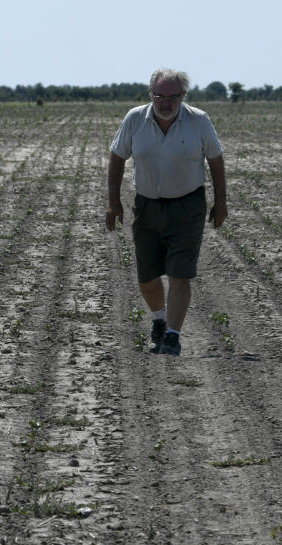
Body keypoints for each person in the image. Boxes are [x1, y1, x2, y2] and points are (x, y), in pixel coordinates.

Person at [106, 68, 228, 356]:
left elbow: (216, 160)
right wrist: (114, 201)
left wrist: (220, 202)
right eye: (159, 96)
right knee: (147, 278)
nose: (165, 102)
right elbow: (117, 157)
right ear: (151, 94)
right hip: (147, 206)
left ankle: (173, 336)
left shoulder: (198, 120)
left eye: (172, 97)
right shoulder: (135, 118)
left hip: (188, 207)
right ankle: (159, 320)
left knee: (179, 274)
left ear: (183, 96)